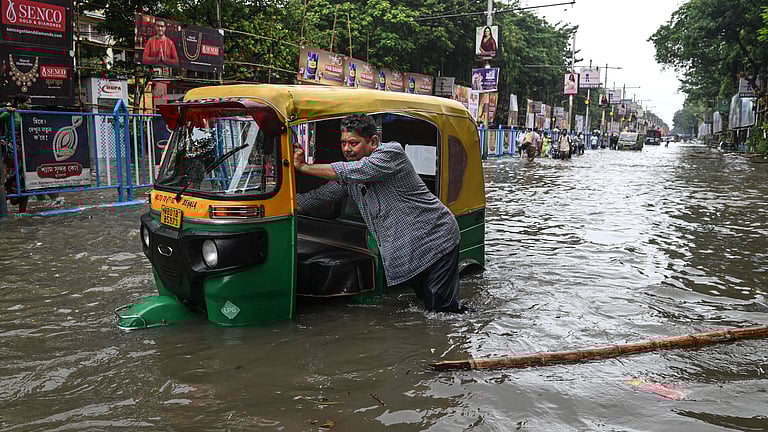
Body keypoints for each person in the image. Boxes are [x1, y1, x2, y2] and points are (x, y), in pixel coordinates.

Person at [294, 114, 464, 313]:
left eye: (353, 143)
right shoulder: (351, 178)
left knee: (441, 312)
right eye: (343, 143)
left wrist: (304, 167)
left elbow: (354, 170)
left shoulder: (391, 153)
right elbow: (320, 196)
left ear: (373, 142)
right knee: (427, 306)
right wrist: (285, 205)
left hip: (436, 239)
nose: (347, 149)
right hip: (410, 249)